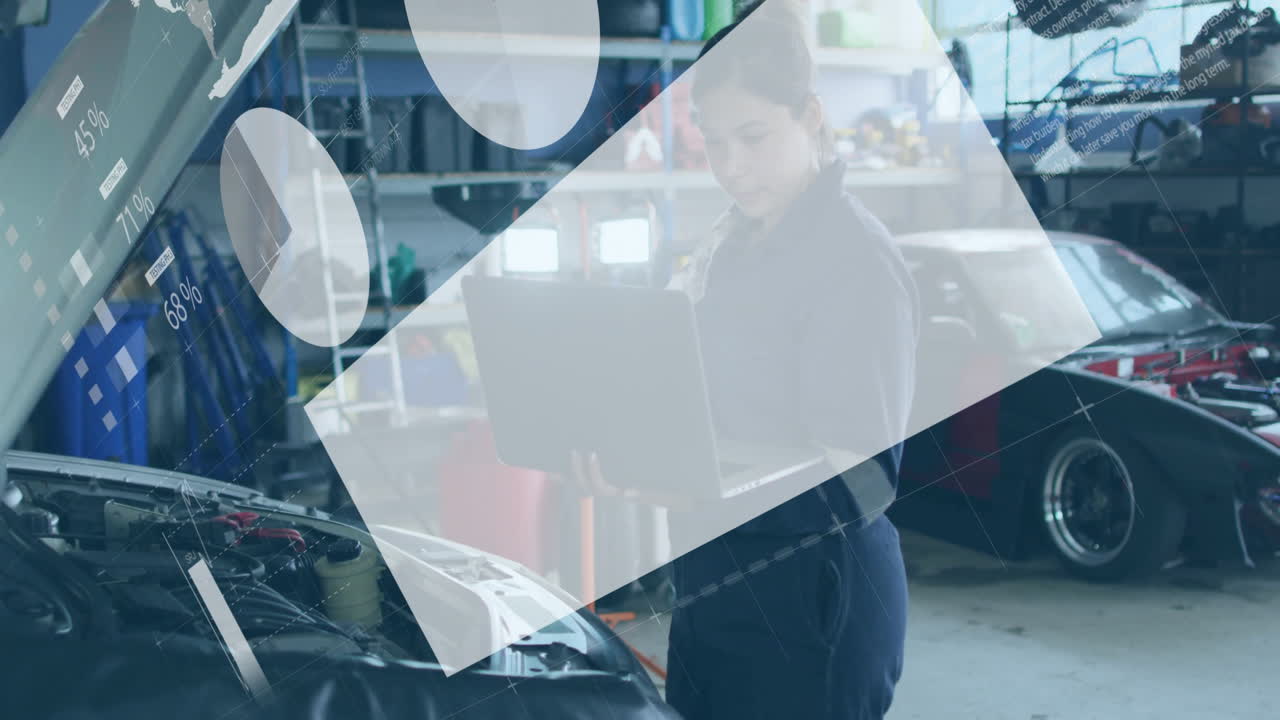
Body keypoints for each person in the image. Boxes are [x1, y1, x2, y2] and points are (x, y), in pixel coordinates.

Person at [573, 1, 919, 718]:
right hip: (716, 588)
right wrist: (632, 447)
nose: (730, 167)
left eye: (754, 137)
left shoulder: (855, 262)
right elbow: (714, 410)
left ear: (812, 117)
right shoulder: (728, 250)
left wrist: (697, 491)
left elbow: (859, 484)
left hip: (815, 606)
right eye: (715, 142)